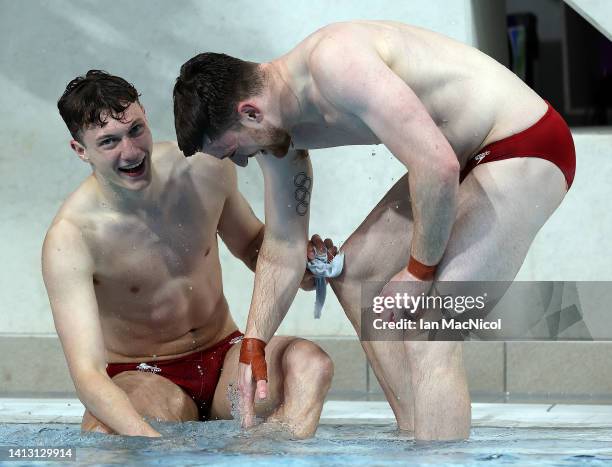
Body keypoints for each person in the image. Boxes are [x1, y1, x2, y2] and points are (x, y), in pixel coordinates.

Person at [172, 20, 576, 441]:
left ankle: (441, 454)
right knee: (355, 277)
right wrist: (255, 340)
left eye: (233, 150)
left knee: (428, 328)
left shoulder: (335, 62)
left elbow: (436, 167)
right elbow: (283, 244)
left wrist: (418, 274)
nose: (240, 163)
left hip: (524, 142)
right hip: (458, 155)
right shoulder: (277, 137)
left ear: (249, 112)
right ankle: (419, 434)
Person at [42, 70, 335, 439]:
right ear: (80, 150)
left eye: (135, 130)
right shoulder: (70, 239)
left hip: (226, 354)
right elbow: (87, 374)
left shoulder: (203, 169)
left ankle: (265, 458)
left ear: (145, 115)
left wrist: (303, 267)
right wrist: (155, 447)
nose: (130, 151)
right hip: (146, 375)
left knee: (310, 366)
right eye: (109, 142)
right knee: (104, 432)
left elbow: (251, 246)